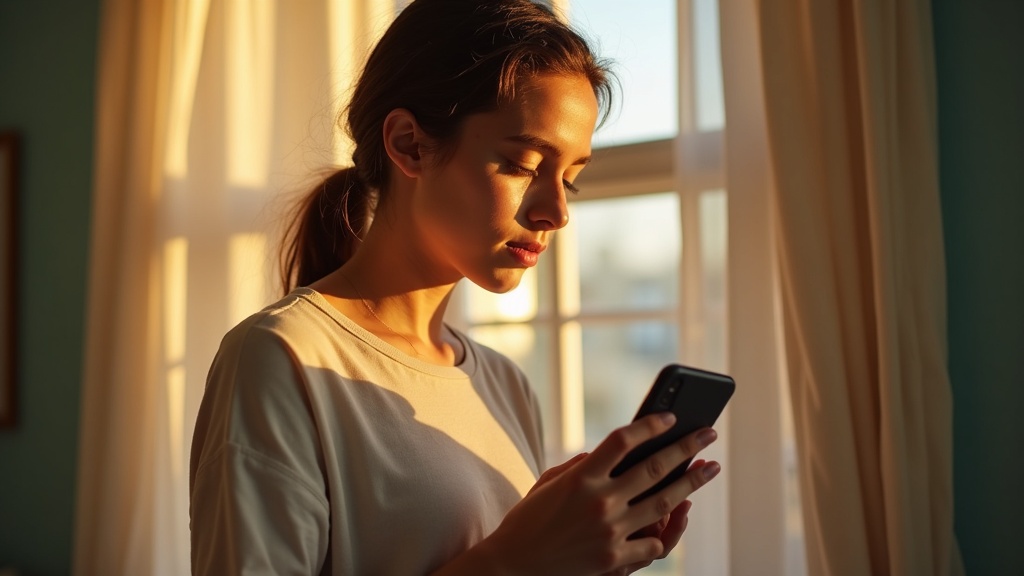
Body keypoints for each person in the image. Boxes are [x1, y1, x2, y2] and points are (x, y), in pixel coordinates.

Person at [188, 0, 722, 574]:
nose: (556, 211)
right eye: (522, 164)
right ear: (409, 144)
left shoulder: (504, 383)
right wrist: (516, 562)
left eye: (571, 178)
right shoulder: (280, 358)